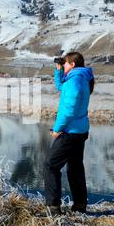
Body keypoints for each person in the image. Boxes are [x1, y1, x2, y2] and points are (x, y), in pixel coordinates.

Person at [43, 52, 94, 215]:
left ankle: (53, 207)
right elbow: (61, 87)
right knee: (75, 168)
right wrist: (58, 71)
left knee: (50, 165)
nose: (63, 65)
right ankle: (80, 206)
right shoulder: (80, 78)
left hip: (69, 132)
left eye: (64, 63)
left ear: (72, 64)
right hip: (80, 130)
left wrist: (57, 129)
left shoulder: (75, 81)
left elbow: (68, 110)